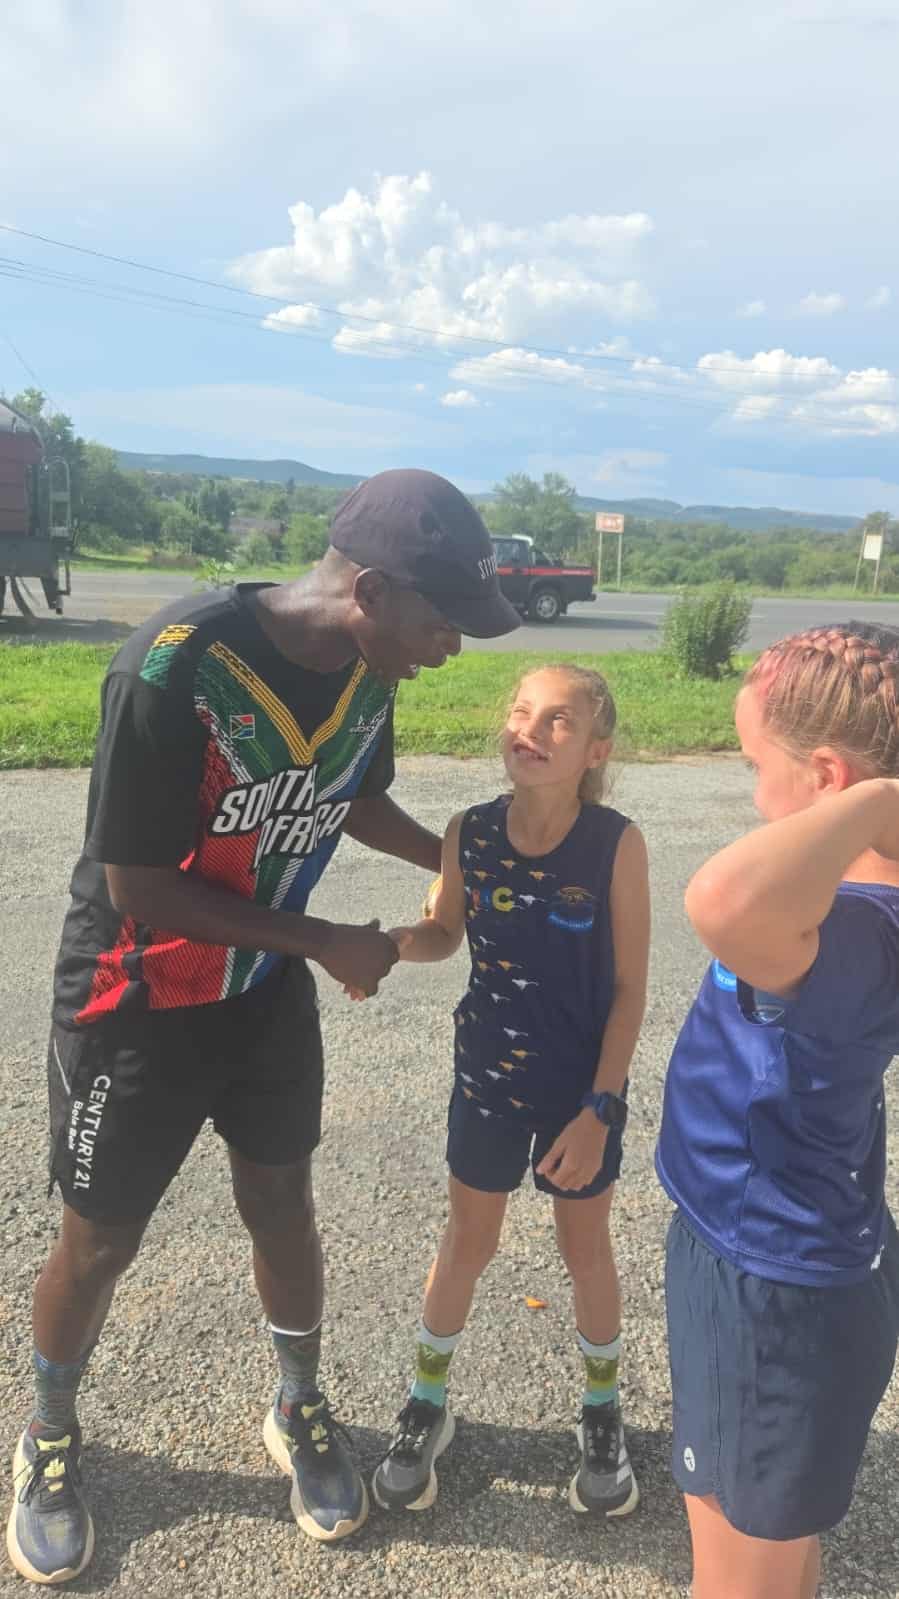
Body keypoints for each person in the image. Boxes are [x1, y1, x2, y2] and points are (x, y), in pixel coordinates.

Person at [6, 469, 520, 1585]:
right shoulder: (174, 665)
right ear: (370, 589)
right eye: (443, 620)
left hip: (262, 988)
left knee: (281, 1200)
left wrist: (453, 862)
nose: (453, 647)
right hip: (133, 996)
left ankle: (297, 1404)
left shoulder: (367, 670)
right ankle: (47, 1429)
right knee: (100, 1237)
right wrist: (330, 938)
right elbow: (137, 885)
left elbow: (349, 796)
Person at [369, 663, 650, 1518]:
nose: (532, 728)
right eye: (522, 711)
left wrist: (600, 1111)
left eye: (560, 720)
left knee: (584, 1250)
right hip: (484, 1077)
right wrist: (380, 945)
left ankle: (601, 1413)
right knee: (466, 1241)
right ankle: (427, 1401)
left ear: (594, 749)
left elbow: (631, 990)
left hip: (580, 1098)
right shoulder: (468, 831)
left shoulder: (615, 842)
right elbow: (443, 931)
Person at [656, 623, 899, 1599]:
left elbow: (717, 899)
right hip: (776, 1258)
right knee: (769, 1541)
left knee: (735, 1572)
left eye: (757, 765)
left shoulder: (852, 934)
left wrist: (881, 798)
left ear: (826, 779)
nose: (751, 791)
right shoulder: (846, 903)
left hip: (767, 1284)